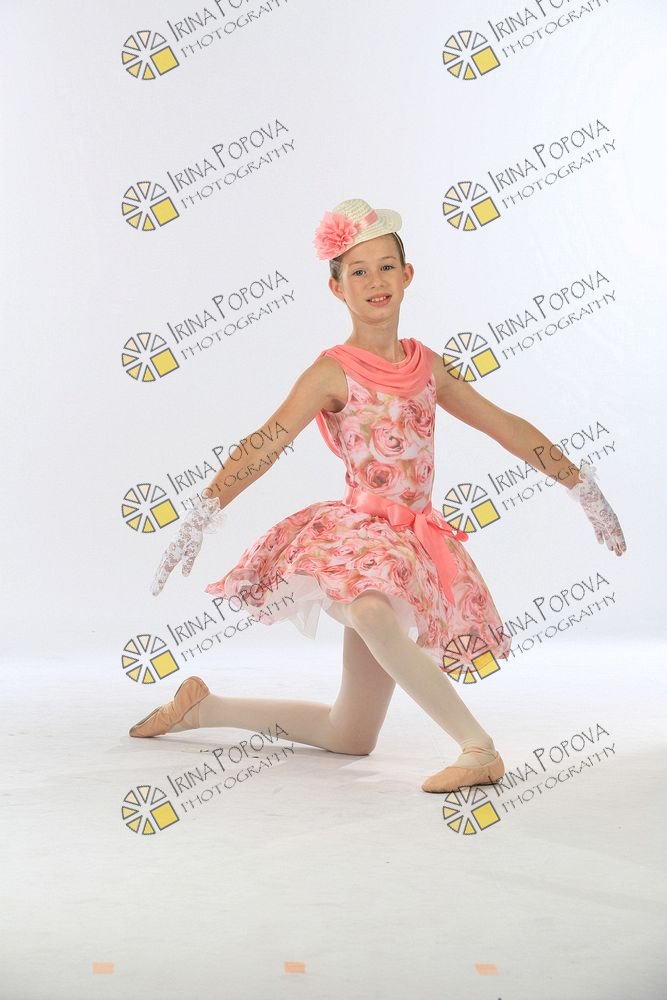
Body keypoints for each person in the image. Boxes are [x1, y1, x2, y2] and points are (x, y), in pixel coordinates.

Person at [129, 198, 626, 794]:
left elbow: (505, 425)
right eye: (358, 271)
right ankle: (478, 747)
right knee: (369, 609)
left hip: (413, 541)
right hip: (359, 537)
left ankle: (203, 708)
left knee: (350, 734)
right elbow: (264, 443)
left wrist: (581, 486)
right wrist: (202, 512)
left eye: (386, 267)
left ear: (407, 274)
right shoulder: (332, 371)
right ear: (336, 287)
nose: (374, 281)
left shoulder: (427, 365)